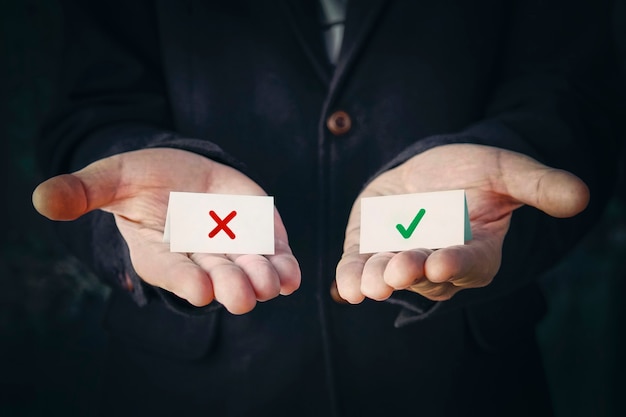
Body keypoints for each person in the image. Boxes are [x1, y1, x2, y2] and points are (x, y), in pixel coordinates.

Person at [31, 1, 623, 416]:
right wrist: (131, 206)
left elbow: (571, 102)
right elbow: (91, 109)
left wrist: (508, 171)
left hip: (459, 384)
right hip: (188, 388)